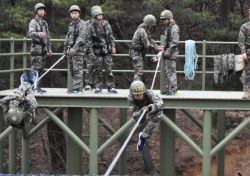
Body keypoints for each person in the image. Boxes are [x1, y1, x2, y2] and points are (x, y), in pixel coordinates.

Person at [86, 7, 118, 94]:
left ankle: (111, 86)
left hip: (106, 51)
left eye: (101, 15)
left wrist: (113, 47)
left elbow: (111, 37)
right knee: (98, 70)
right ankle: (98, 86)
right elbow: (88, 41)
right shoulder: (90, 27)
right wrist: (91, 52)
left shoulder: (106, 24)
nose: (100, 16)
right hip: (97, 52)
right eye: (98, 15)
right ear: (94, 16)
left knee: (108, 69)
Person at [127, 80, 164, 151]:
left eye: (141, 94)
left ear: (144, 93)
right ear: (133, 95)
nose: (139, 97)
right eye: (137, 95)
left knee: (159, 115)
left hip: (151, 109)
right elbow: (134, 112)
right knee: (140, 120)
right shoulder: (130, 98)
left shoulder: (150, 94)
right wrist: (141, 111)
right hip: (139, 112)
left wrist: (153, 107)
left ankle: (144, 137)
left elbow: (161, 103)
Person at [130, 14, 163, 81]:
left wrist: (157, 46)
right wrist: (156, 48)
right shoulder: (142, 31)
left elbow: (150, 39)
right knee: (139, 71)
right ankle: (136, 87)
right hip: (136, 53)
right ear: (148, 24)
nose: (151, 27)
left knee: (139, 71)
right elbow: (147, 44)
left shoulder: (145, 30)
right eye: (151, 25)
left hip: (139, 53)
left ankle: (137, 87)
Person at [28, 3, 52, 94]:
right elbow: (30, 33)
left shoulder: (44, 23)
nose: (41, 11)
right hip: (36, 50)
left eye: (43, 10)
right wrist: (37, 34)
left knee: (41, 69)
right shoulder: (33, 22)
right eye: (40, 10)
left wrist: (49, 48)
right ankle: (32, 87)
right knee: (35, 69)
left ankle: (37, 87)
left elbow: (48, 37)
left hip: (43, 50)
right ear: (36, 11)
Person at [64, 5, 87, 94]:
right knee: (72, 69)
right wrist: (65, 48)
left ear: (79, 14)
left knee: (77, 69)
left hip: (78, 50)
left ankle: (77, 89)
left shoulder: (82, 24)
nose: (74, 15)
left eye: (76, 13)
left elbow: (81, 37)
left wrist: (75, 48)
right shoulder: (70, 25)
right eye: (72, 13)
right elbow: (67, 37)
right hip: (70, 50)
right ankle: (75, 87)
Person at [160, 10, 179, 95]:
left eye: (164, 19)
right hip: (167, 52)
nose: (163, 21)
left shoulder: (174, 27)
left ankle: (173, 89)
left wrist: (169, 50)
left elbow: (175, 42)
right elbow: (167, 41)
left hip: (172, 53)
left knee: (171, 71)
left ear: (169, 18)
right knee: (167, 71)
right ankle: (169, 87)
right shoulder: (168, 27)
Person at [84, 5, 103, 91]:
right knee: (90, 67)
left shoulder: (102, 23)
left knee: (99, 68)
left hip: (99, 49)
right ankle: (88, 83)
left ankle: (98, 85)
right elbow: (85, 36)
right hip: (89, 48)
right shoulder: (87, 23)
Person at [238, 8, 250, 99]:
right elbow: (241, 41)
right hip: (248, 51)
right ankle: (247, 91)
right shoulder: (245, 27)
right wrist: (243, 52)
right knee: (247, 72)